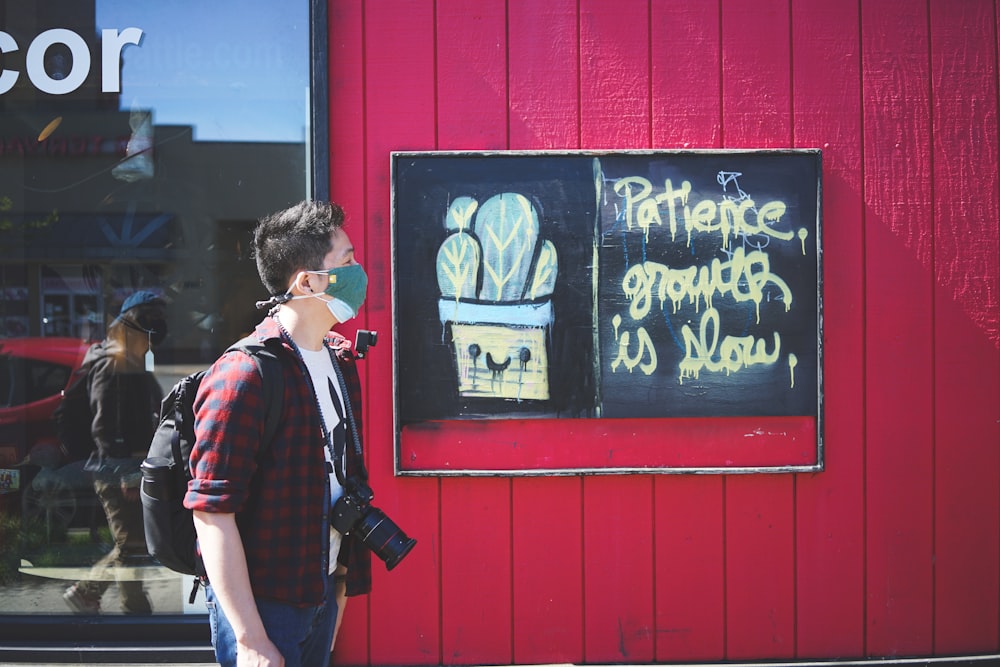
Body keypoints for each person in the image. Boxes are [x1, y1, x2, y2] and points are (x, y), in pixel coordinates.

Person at [186, 200, 372, 667]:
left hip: (320, 590)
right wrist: (249, 638)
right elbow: (211, 513)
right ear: (308, 282)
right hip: (265, 607)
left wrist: (340, 587)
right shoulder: (244, 374)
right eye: (346, 260)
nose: (359, 270)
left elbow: (342, 480)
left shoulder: (339, 362)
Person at [62, 290, 168, 615]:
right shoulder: (112, 364)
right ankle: (92, 593)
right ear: (128, 328)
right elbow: (105, 426)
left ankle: (131, 607)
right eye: (146, 327)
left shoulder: (131, 363)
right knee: (130, 544)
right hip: (116, 471)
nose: (152, 338)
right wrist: (127, 472)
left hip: (129, 468)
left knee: (134, 544)